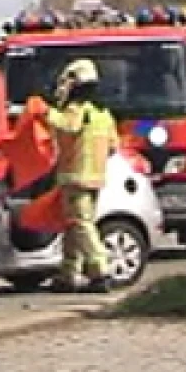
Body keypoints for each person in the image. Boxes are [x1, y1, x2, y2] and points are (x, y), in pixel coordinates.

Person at [28, 58, 116, 293]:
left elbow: (68, 125)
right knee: (73, 226)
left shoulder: (77, 110)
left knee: (81, 225)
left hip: (76, 177)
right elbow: (113, 145)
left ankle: (100, 272)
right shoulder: (103, 113)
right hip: (96, 178)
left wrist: (44, 112)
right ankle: (69, 274)